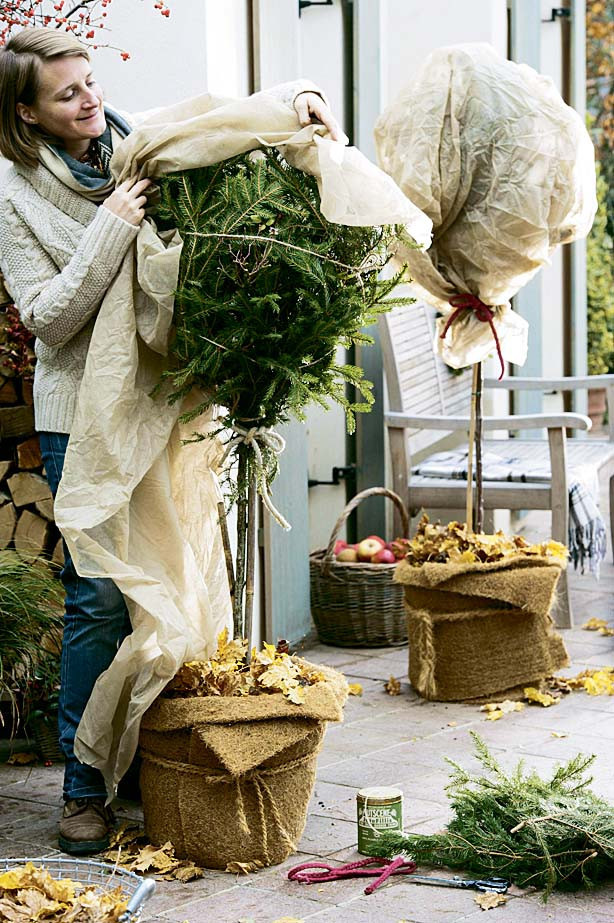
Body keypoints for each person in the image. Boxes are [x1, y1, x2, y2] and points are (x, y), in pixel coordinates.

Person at [0, 27, 340, 856]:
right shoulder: (13, 193)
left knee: (178, 576)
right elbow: (48, 319)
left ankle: (154, 759)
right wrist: (112, 227)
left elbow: (217, 119)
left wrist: (298, 100)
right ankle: (84, 787)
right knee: (100, 595)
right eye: (67, 93)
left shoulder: (137, 146)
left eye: (90, 81)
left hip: (164, 397)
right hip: (81, 411)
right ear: (26, 113)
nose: (91, 99)